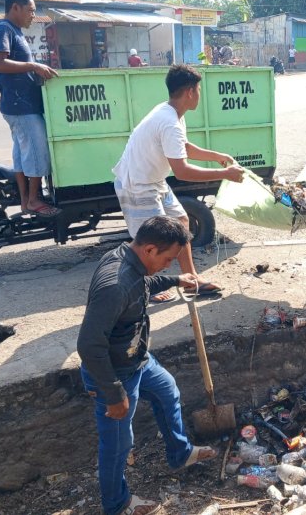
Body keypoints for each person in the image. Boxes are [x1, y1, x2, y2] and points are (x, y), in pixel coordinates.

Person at [77, 216, 217, 515]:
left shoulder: (132, 261)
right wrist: (114, 394)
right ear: (150, 249)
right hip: (113, 374)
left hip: (137, 359)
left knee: (168, 392)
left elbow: (144, 282)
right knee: (117, 445)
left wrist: (177, 279)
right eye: (168, 259)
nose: (169, 264)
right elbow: (89, 345)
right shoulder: (115, 285)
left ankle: (180, 454)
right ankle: (117, 504)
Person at [112, 64, 244, 302]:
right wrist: (224, 174)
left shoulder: (171, 113)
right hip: (137, 184)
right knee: (149, 241)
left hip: (154, 180)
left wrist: (217, 156)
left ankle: (191, 278)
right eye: (199, 89)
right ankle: (144, 288)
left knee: (181, 222)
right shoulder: (169, 121)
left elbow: (183, 147)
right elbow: (182, 171)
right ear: (190, 92)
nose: (200, 94)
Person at [0, 0, 61, 218]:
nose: (33, 15)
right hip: (20, 106)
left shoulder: (14, 29)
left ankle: (25, 201)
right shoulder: (3, 28)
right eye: (30, 10)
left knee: (22, 153)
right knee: (37, 150)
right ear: (15, 7)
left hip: (19, 104)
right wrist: (34, 66)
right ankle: (33, 199)